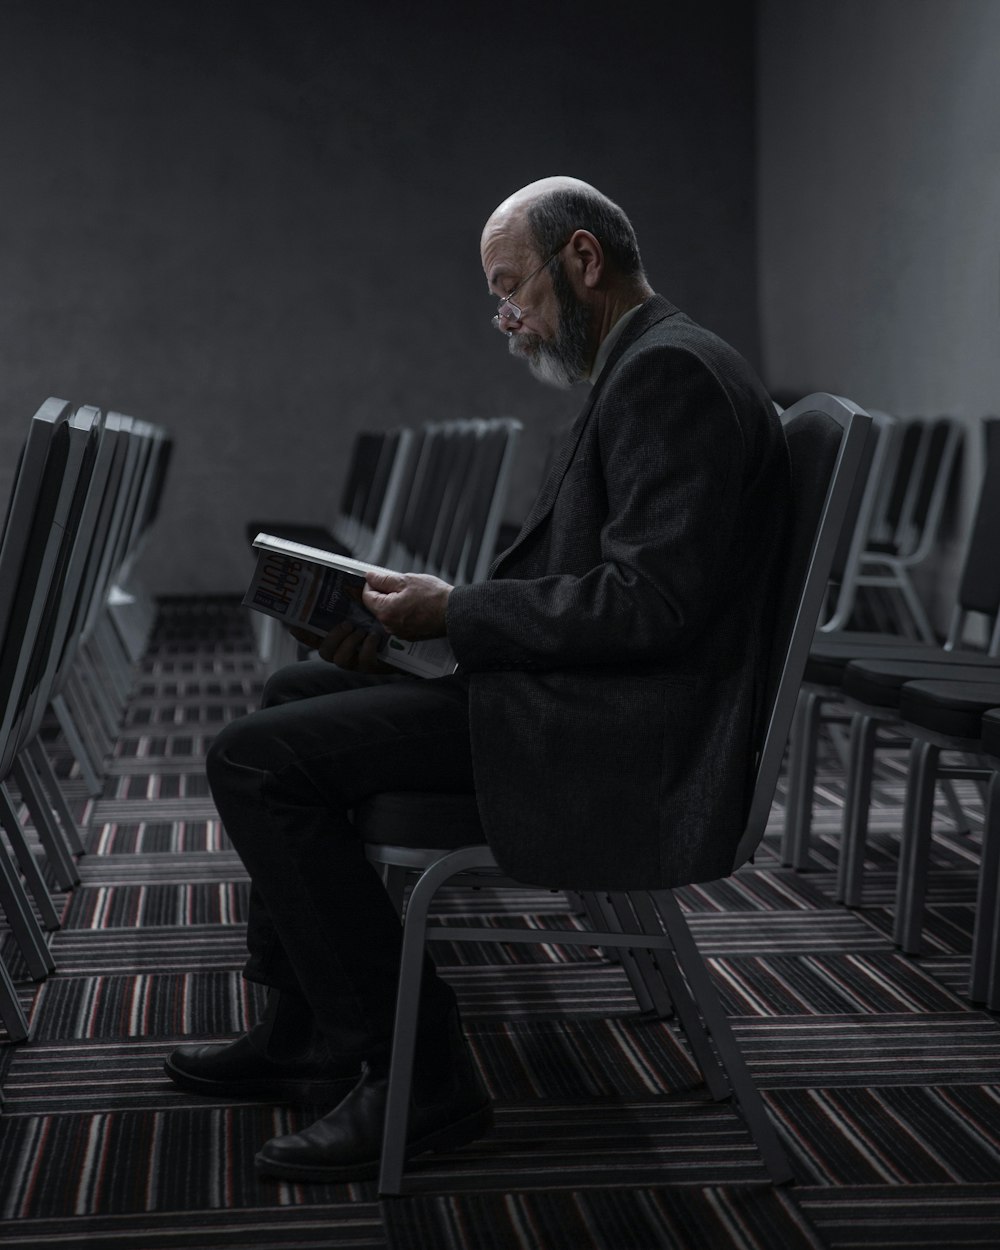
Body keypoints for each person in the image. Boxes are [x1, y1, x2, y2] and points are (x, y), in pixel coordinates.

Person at [164, 176, 792, 1184]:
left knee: (256, 758)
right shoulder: (647, 364)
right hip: (583, 699)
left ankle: (420, 1068)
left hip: (617, 738)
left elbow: (649, 606)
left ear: (581, 259)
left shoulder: (667, 376)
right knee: (286, 705)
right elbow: (603, 587)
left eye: (515, 290)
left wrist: (454, 614)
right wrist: (427, 626)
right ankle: (306, 1022)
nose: (509, 319)